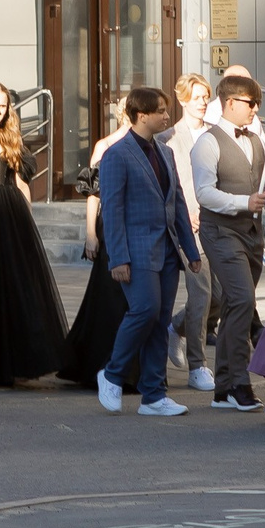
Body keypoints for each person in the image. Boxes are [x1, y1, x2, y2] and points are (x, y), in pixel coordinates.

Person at [94, 87, 204, 416]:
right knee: (145, 309)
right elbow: (112, 210)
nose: (167, 116)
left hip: (168, 249)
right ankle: (112, 374)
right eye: (161, 111)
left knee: (160, 320)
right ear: (141, 115)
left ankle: (154, 396)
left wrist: (190, 250)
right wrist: (118, 258)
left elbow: (178, 202)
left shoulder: (165, 152)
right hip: (136, 250)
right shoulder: (117, 155)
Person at [0, 81, 68, 386]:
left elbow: (21, 183)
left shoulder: (13, 138)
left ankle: (15, 360)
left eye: (2, 106)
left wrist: (27, 222)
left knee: (16, 286)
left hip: (11, 215)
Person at [190, 73, 265, 411]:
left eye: (257, 103)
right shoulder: (207, 142)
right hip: (220, 232)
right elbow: (204, 193)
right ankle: (240, 382)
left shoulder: (257, 141)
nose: (256, 108)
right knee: (243, 299)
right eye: (250, 102)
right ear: (229, 103)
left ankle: (224, 387)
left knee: (233, 305)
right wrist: (244, 202)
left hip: (251, 234)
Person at [59, 100, 136, 389]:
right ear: (124, 114)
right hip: (110, 228)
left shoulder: (148, 144)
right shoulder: (105, 146)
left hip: (137, 226)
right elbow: (93, 194)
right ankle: (102, 365)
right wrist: (90, 233)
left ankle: (132, 370)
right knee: (109, 299)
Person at [164, 73, 216, 393]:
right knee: (201, 293)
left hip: (218, 224)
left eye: (206, 96)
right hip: (188, 227)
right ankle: (198, 366)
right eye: (196, 97)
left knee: (220, 296)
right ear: (183, 100)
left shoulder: (215, 134)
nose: (202, 102)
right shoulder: (168, 138)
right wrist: (183, 215)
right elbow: (168, 185)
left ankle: (176, 326)